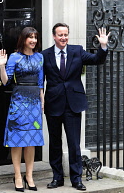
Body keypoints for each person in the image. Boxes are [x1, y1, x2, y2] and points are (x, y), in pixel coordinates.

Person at [41, 23, 110, 191]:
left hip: (73, 104)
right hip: (53, 104)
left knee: (74, 144)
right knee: (55, 144)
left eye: (66, 34)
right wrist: (41, 99)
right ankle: (57, 178)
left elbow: (97, 60)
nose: (63, 37)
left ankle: (76, 179)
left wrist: (103, 45)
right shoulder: (45, 55)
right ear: (54, 36)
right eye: (60, 35)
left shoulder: (77, 51)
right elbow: (39, 80)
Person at [0, 27, 44, 192]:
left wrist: (42, 103)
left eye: (35, 38)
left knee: (31, 141)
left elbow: (40, 83)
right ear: (23, 39)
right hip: (18, 103)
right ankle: (17, 175)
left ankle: (29, 176)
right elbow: (5, 82)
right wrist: (2, 66)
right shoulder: (14, 57)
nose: (33, 40)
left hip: (34, 104)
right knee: (17, 141)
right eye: (30, 37)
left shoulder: (40, 57)